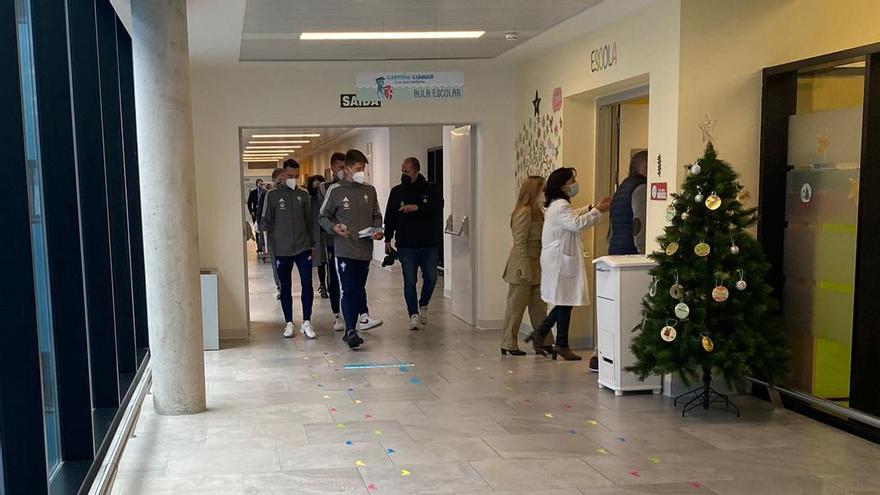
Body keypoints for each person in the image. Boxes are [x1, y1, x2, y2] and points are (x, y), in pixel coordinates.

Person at [526, 167, 610, 361]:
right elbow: (576, 224)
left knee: (566, 301)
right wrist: (599, 211)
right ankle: (554, 339)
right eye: (572, 180)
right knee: (566, 300)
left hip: (557, 259)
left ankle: (555, 340)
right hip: (559, 262)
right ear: (563, 185)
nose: (574, 184)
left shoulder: (556, 205)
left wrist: (590, 208)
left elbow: (571, 217)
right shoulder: (560, 206)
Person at [319, 149, 384, 349]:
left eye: (363, 168)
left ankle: (356, 323)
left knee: (357, 289)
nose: (361, 172)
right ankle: (350, 330)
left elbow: (376, 216)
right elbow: (323, 216)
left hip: (364, 249)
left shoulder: (369, 190)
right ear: (347, 168)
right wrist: (334, 227)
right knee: (347, 289)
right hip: (344, 249)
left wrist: (378, 230)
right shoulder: (335, 191)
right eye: (358, 168)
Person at [384, 157, 444, 330]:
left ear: (416, 171)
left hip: (429, 244)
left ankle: (423, 304)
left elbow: (438, 206)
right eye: (402, 171)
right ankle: (413, 314)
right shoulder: (397, 192)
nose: (403, 174)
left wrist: (417, 207)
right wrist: (388, 239)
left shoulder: (430, 189)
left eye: (407, 171)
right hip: (406, 245)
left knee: (431, 278)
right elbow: (390, 217)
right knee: (409, 281)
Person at [261, 159, 316, 339]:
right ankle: (289, 323)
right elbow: (266, 222)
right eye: (290, 175)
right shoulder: (273, 195)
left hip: (303, 247)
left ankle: (307, 321)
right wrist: (270, 246)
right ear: (283, 174)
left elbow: (309, 220)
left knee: (307, 283)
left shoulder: (304, 194)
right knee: (285, 287)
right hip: (282, 249)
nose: (293, 179)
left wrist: (312, 243)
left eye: (296, 176)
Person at [500, 176, 553, 356]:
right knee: (516, 307)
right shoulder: (524, 212)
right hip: (522, 265)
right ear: (534, 191)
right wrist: (524, 268)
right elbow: (520, 242)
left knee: (539, 307)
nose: (545, 193)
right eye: (543, 190)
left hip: (536, 263)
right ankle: (508, 343)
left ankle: (545, 341)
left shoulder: (537, 212)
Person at [609, 150, 648, 255]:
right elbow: (639, 222)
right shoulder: (641, 188)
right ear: (645, 167)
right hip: (630, 249)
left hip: (616, 247)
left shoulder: (623, 186)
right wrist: (643, 251)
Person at [307, 175, 330, 299]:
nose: (317, 189)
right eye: (314, 186)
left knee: (329, 262)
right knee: (321, 262)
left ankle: (330, 284)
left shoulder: (328, 199)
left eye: (319, 186)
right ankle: (322, 285)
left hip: (328, 233)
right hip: (317, 235)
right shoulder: (310, 201)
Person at [264, 168, 284, 298]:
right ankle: (280, 287)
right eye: (279, 180)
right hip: (275, 237)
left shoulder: (293, 194)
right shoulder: (270, 195)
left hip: (289, 237)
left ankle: (285, 287)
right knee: (276, 264)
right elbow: (265, 217)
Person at [247, 179, 267, 253]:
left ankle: (263, 245)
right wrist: (251, 211)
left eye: (261, 183)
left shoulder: (265, 192)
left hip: (263, 213)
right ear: (256, 184)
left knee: (263, 229)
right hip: (255, 213)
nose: (259, 184)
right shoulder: (253, 193)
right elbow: (249, 203)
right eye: (258, 183)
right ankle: (259, 246)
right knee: (257, 229)